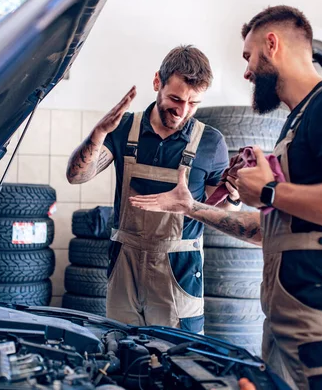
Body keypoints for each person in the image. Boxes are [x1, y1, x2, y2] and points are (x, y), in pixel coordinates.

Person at [129, 6, 322, 390]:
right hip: (288, 328)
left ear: (272, 44)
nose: (247, 71)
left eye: (249, 56)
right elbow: (270, 229)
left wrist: (269, 190)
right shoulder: (296, 122)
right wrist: (192, 207)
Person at [66, 45, 241, 334]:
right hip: (125, 266)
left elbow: (219, 214)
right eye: (175, 98)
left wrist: (233, 197)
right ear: (157, 82)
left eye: (193, 103)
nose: (182, 111)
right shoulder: (124, 128)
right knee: (119, 353)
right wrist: (99, 133)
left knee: (175, 362)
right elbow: (77, 176)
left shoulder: (210, 142)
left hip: (178, 271)